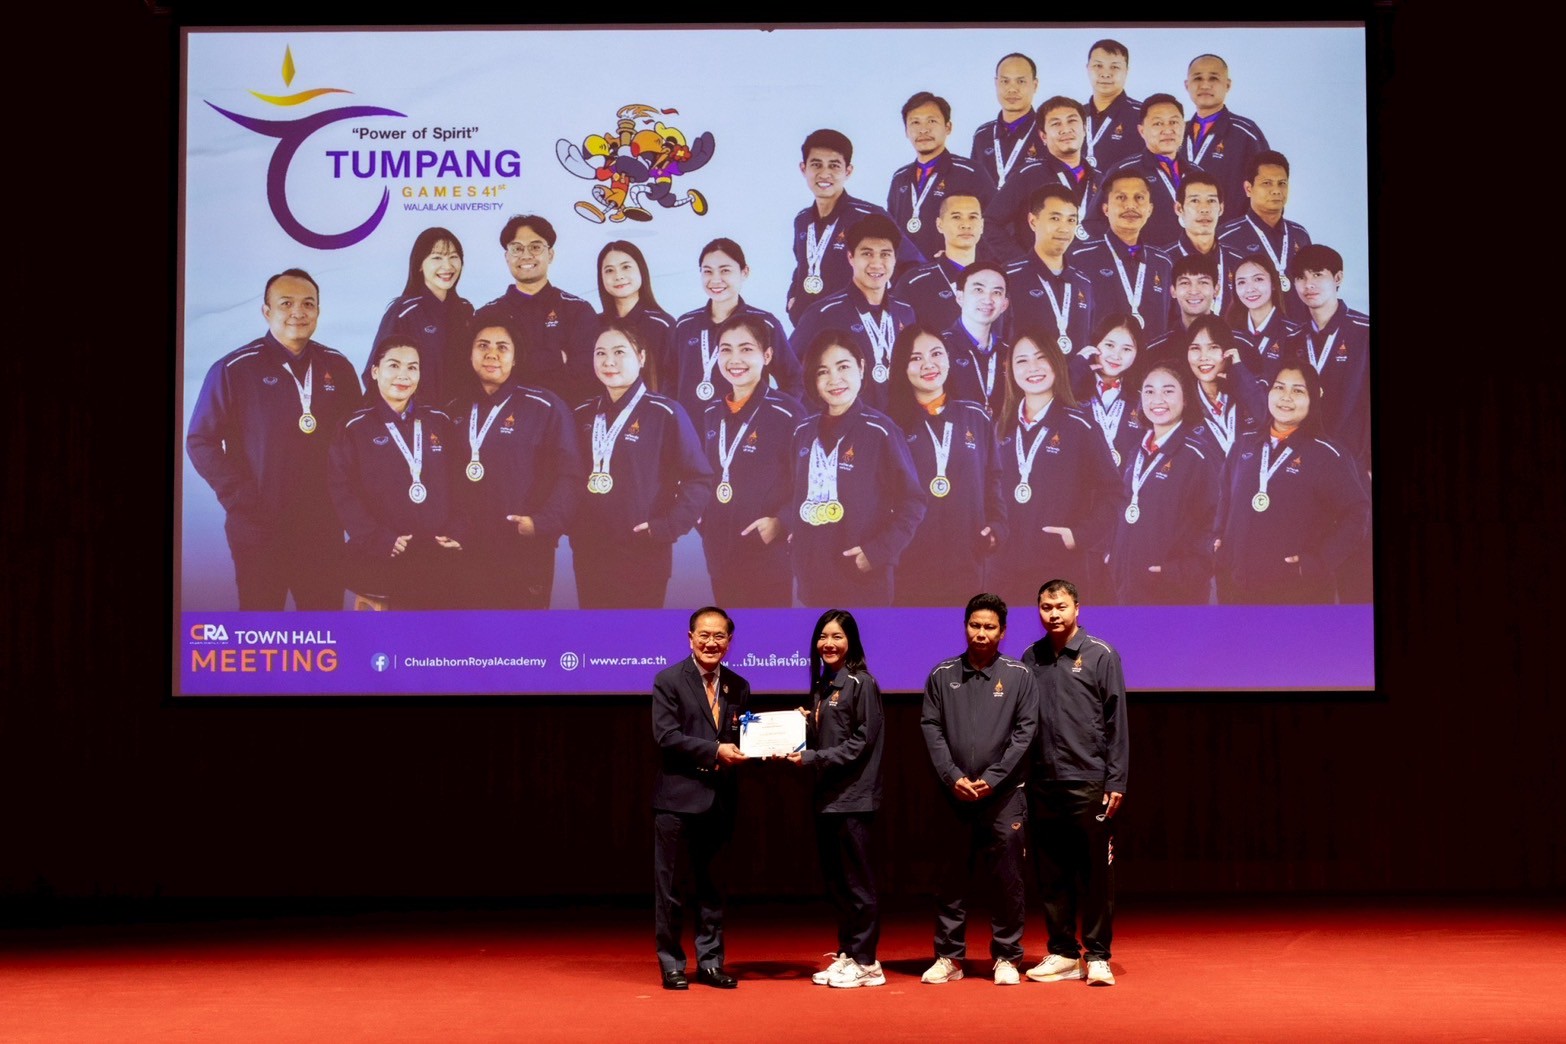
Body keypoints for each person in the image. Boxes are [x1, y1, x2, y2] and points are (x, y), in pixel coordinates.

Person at [188, 268, 361, 610]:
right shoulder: (235, 368)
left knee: (324, 627)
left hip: (322, 528)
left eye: (308, 304)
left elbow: (357, 438)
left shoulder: (337, 366)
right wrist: (241, 497)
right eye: (286, 303)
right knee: (261, 626)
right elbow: (200, 440)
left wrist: (350, 505)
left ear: (318, 311)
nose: (298, 312)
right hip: (259, 528)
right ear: (266, 312)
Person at [920, 593, 1039, 986]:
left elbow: (1025, 732)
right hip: (953, 793)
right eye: (975, 625)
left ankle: (1006, 956)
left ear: (1002, 632)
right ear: (965, 627)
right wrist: (951, 776)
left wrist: (994, 778)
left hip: (1004, 796)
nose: (981, 633)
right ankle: (949, 957)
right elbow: (931, 728)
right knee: (950, 877)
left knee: (1007, 878)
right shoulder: (942, 674)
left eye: (990, 627)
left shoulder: (1020, 675)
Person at [1020, 579, 1128, 987]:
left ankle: (1097, 955)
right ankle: (1064, 953)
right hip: (1043, 780)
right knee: (1051, 872)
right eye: (1046, 607)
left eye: (1061, 606)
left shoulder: (1101, 654)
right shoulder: (1030, 657)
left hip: (1089, 779)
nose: (1053, 614)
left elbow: (1117, 721)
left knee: (1095, 873)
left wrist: (1116, 778)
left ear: (1077, 608)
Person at [569, 318, 712, 608]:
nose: (609, 361)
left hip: (642, 553)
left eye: (619, 352)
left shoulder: (665, 413)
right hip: (590, 552)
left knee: (637, 634)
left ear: (641, 357)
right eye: (600, 353)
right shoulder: (582, 413)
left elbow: (699, 479)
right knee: (594, 631)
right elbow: (567, 476)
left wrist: (667, 527)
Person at [447, 309, 580, 609]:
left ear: (516, 357)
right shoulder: (455, 409)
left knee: (522, 634)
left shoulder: (545, 406)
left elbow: (570, 474)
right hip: (465, 549)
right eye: (482, 345)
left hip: (524, 549)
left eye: (502, 347)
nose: (491, 354)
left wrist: (542, 523)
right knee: (470, 632)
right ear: (470, 353)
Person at [788, 330, 926, 607]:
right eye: (823, 372)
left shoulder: (881, 431)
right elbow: (797, 493)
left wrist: (877, 552)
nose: (834, 379)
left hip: (863, 581)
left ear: (861, 367)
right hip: (812, 581)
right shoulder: (803, 431)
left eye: (843, 367)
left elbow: (913, 503)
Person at [1215, 359, 1370, 603]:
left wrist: (1318, 562)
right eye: (1279, 387)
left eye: (1298, 391)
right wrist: (1218, 539)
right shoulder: (1245, 443)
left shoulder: (1329, 454)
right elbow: (1225, 495)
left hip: (1298, 592)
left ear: (1313, 399)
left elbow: (1357, 514)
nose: (1286, 397)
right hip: (1238, 588)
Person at [787, 610, 886, 989]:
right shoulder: (823, 685)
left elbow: (861, 743)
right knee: (839, 885)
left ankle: (867, 961)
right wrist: (804, 724)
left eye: (837, 637)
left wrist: (812, 757)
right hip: (827, 798)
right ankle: (849, 953)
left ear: (851, 642)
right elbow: (831, 736)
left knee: (859, 884)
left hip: (854, 799)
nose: (828, 644)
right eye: (823, 636)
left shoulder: (862, 683)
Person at [653, 606, 750, 991]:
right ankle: (672, 963)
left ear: (729, 641)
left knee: (712, 887)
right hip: (677, 800)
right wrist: (714, 750)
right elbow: (666, 736)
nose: (711, 643)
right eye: (704, 635)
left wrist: (783, 732)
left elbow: (741, 736)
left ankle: (710, 962)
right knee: (671, 890)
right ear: (690, 637)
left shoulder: (738, 685)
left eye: (719, 636)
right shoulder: (669, 680)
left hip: (720, 800)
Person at [328, 337, 462, 609]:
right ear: (375, 371)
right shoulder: (354, 427)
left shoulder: (439, 420)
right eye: (394, 365)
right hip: (382, 556)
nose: (404, 375)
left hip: (438, 558)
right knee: (387, 635)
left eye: (412, 367)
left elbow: (461, 484)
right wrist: (376, 538)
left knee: (436, 633)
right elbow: (341, 492)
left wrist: (459, 528)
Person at [994, 334, 1122, 608]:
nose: (1032, 368)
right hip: (1003, 574)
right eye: (1022, 361)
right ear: (1011, 371)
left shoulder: (1081, 426)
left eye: (1041, 358)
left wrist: (1079, 536)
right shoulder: (1000, 427)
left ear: (1056, 363)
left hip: (1060, 572)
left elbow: (1113, 493)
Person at [886, 324, 1008, 605]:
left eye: (936, 353)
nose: (928, 364)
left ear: (949, 359)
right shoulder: (889, 424)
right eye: (915, 358)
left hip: (968, 566)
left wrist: (997, 527)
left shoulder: (975, 416)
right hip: (907, 569)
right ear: (902, 367)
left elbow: (993, 479)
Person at [696, 314, 805, 607]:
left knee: (766, 634)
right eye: (726, 350)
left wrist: (782, 522)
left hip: (768, 557)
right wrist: (703, 518)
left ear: (767, 356)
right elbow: (705, 474)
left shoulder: (789, 413)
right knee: (728, 630)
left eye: (746, 349)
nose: (735, 359)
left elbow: (811, 480)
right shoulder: (711, 413)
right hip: (720, 555)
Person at [1105, 362, 1220, 604]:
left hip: (1172, 592)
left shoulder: (1198, 456)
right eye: (1149, 391)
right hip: (1127, 585)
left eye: (1168, 391)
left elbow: (1214, 524)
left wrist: (1179, 572)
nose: (1157, 399)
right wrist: (1114, 555)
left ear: (1185, 399)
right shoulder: (1137, 450)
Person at [789, 215, 918, 413]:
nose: (876, 263)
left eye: (885, 254)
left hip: (898, 425)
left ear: (895, 258)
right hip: (846, 426)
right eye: (867, 254)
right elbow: (791, 372)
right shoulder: (823, 313)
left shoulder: (905, 312)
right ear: (851, 257)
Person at [787, 129, 917, 323]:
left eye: (834, 165)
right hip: (809, 325)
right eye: (816, 164)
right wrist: (792, 299)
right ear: (803, 168)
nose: (825, 173)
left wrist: (889, 308)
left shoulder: (868, 215)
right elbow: (803, 265)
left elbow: (911, 266)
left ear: (848, 171)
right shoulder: (802, 220)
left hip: (854, 327)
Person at [672, 238, 803, 421]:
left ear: (744, 272)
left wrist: (774, 416)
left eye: (725, 270)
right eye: (707, 271)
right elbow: (669, 381)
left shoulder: (765, 323)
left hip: (744, 432)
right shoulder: (685, 324)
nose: (715, 279)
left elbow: (794, 379)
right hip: (690, 432)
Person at [480, 214, 597, 406]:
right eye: (517, 248)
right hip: (503, 416)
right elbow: (485, 376)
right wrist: (556, 359)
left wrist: (515, 365)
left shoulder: (577, 310)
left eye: (535, 247)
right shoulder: (488, 315)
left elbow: (587, 376)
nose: (526, 255)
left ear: (550, 255)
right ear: (507, 257)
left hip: (564, 416)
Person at [1277, 244, 1371, 475]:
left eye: (1318, 275)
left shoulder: (1364, 331)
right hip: (1304, 460)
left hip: (1355, 460)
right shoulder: (1293, 339)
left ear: (1337, 278)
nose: (1308, 285)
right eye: (1301, 277)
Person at [363, 227, 475, 404]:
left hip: (460, 414)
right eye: (437, 257)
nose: (447, 266)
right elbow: (374, 375)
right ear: (420, 265)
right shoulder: (404, 312)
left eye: (453, 257)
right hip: (418, 416)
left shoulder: (465, 310)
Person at [886, 91, 993, 263]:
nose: (923, 129)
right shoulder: (900, 178)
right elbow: (892, 230)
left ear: (948, 127)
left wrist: (963, 255)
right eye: (915, 122)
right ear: (906, 131)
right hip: (906, 274)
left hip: (954, 271)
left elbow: (994, 225)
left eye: (932, 121)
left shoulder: (970, 172)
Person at [1089, 93, 1205, 248]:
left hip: (1191, 259)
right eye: (1158, 123)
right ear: (1142, 131)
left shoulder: (1198, 174)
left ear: (1183, 127)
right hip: (1148, 260)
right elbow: (1094, 223)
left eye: (1173, 122)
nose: (1167, 130)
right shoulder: (1124, 171)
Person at [989, 96, 1100, 258]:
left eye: (1072, 121)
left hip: (1089, 270)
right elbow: (990, 223)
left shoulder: (1101, 180)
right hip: (1041, 271)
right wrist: (1022, 262)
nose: (1065, 129)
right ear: (1043, 136)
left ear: (1084, 129)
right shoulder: (1027, 175)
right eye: (1056, 124)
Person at [1069, 171, 1174, 340]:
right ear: (1106, 209)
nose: (1130, 205)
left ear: (1150, 209)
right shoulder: (1079, 257)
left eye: (1139, 198)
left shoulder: (1163, 262)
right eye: (1121, 198)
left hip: (1153, 356)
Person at [1003, 184, 1096, 362]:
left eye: (1071, 220)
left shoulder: (1083, 282)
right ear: (1033, 221)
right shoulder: (1008, 277)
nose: (1064, 229)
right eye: (1055, 218)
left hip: (1077, 379)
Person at [1217, 151, 1311, 323]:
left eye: (1282, 183)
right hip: (1247, 333)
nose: (1276, 190)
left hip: (1298, 332)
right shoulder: (1226, 236)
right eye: (1267, 183)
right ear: (1248, 189)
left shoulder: (1299, 234)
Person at [1182, 54, 1270, 221]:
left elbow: (1268, 189)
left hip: (1229, 231)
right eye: (1198, 78)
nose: (1205, 85)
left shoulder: (1245, 133)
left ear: (1227, 85)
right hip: (1180, 232)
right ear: (1187, 85)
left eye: (1213, 78)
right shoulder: (1176, 133)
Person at [899, 193, 989, 333]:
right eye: (956, 217)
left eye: (973, 217)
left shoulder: (998, 280)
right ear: (939, 225)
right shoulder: (914, 282)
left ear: (982, 225)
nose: (966, 225)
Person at [1160, 172, 1243, 317]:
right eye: (1195, 201)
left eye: (1211, 201)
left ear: (1221, 208)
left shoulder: (1239, 262)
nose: (1204, 209)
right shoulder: (1161, 262)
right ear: (1179, 208)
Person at [1184, 313, 1267, 459]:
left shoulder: (1250, 390)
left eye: (1213, 347)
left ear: (1229, 351)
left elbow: (1268, 421)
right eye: (1195, 348)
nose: (1203, 357)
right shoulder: (1183, 402)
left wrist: (1240, 373)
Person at [1069, 313, 1145, 469]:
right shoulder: (1071, 388)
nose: (1116, 355)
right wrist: (1072, 374)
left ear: (1137, 354)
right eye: (1109, 345)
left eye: (1127, 349)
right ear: (1094, 345)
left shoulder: (1141, 400)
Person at [596, 239, 676, 387]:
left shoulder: (662, 325)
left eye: (626, 267)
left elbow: (674, 380)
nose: (618, 276)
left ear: (641, 270)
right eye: (609, 270)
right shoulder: (593, 324)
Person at [941, 262, 1012, 419]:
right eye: (978, 290)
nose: (988, 300)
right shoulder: (940, 348)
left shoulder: (1010, 353)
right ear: (960, 297)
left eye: (996, 292)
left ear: (1004, 305)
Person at [970, 53, 1042, 192]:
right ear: (996, 83)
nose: (1012, 89)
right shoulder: (982, 135)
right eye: (1005, 81)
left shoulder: (1047, 132)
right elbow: (973, 186)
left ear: (1035, 85)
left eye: (1021, 81)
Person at [1222, 256, 1299, 368]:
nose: (1250, 289)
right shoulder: (1228, 333)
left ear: (1273, 284)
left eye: (1258, 279)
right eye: (1241, 282)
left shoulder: (1294, 334)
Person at [1081, 39, 1142, 172]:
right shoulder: (1075, 116)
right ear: (1087, 68)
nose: (1105, 74)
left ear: (1126, 71)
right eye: (1098, 65)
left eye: (1114, 67)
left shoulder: (1143, 115)